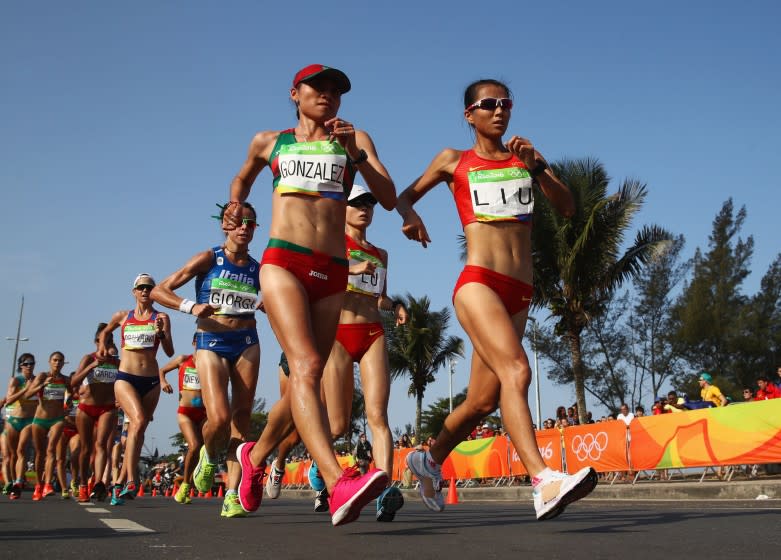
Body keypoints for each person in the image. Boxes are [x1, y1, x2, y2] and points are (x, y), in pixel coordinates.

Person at [398, 78, 596, 521]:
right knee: (517, 369)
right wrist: (411, 218)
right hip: (478, 282)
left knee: (482, 401)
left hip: (518, 292)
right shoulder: (455, 160)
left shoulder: (525, 157)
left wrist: (538, 167)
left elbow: (567, 209)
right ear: (470, 114)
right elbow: (405, 195)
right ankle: (543, 480)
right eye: (489, 104)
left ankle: (428, 459)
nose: (499, 110)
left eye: (506, 103)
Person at [229, 63, 397, 527]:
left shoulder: (355, 138)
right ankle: (338, 479)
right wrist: (238, 204)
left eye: (336, 90)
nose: (327, 95)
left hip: (332, 269)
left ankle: (255, 456)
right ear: (294, 93)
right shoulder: (270, 141)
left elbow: (386, 194)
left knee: (312, 374)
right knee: (304, 366)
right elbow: (242, 179)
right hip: (283, 260)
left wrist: (355, 156)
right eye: (317, 87)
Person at [151, 203, 261, 518]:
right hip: (211, 340)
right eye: (237, 222)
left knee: (242, 420)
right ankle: (209, 456)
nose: (244, 228)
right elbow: (161, 290)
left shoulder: (257, 267)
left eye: (250, 223)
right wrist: (190, 306)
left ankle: (230, 495)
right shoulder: (209, 258)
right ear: (225, 226)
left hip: (247, 341)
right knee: (220, 417)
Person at [320, 183, 406, 520]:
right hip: (338, 334)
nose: (364, 209)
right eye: (357, 204)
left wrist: (395, 305)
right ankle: (322, 473)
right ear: (342, 208)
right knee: (339, 425)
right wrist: (348, 270)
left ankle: (385, 492)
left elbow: (379, 297)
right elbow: (317, 279)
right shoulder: (331, 244)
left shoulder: (380, 253)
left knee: (378, 417)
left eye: (369, 204)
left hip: (372, 332)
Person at [98, 273, 174, 500]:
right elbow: (105, 331)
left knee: (138, 432)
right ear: (134, 292)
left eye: (149, 288)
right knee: (138, 421)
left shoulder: (161, 317)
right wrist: (102, 345)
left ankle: (119, 482)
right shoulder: (123, 316)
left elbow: (169, 351)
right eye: (140, 287)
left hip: (150, 382)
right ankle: (132, 479)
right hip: (126, 378)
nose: (144, 291)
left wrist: (161, 333)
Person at [71, 323, 120, 502]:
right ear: (96, 342)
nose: (106, 344)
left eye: (110, 340)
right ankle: (83, 484)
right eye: (103, 341)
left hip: (107, 408)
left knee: (101, 445)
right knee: (85, 449)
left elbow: (124, 384)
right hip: (86, 408)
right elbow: (74, 382)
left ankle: (98, 482)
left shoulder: (117, 362)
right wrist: (91, 366)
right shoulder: (88, 358)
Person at [158, 334, 207, 505]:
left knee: (204, 448)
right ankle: (185, 485)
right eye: (199, 342)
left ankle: (192, 482)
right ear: (194, 342)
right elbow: (161, 371)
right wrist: (163, 382)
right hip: (185, 412)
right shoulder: (182, 359)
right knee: (194, 446)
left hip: (204, 413)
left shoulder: (210, 363)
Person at [26, 351, 70, 500]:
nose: (57, 363)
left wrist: (68, 403)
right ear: (50, 361)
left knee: (51, 450)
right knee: (40, 454)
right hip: (40, 420)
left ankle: (47, 485)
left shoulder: (65, 379)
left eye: (60, 361)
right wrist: (42, 385)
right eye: (55, 360)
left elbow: (71, 392)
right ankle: (38, 485)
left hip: (57, 419)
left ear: (64, 363)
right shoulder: (42, 376)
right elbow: (27, 394)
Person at [4, 353, 39, 499]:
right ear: (21, 366)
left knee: (21, 450)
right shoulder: (16, 380)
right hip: (13, 420)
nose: (29, 366)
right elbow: (9, 400)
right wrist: (26, 390)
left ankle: (18, 482)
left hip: (29, 420)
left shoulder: (38, 380)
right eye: (26, 364)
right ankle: (12, 483)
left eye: (32, 363)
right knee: (12, 455)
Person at [56, 387, 81, 499]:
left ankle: (74, 482)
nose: (76, 387)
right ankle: (64, 488)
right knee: (60, 459)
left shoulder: (84, 395)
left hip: (77, 430)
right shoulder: (63, 394)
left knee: (75, 457)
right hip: (63, 429)